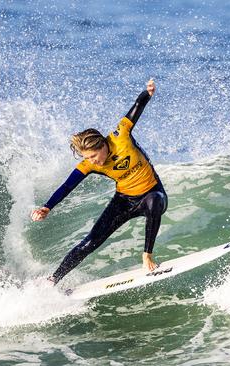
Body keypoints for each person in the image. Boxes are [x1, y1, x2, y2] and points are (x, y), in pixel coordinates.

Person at [31, 79, 168, 285]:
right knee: (89, 243)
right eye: (88, 158)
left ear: (103, 144)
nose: (93, 161)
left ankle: (147, 256)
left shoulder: (121, 136)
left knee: (154, 201)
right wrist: (47, 207)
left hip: (152, 192)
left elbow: (137, 107)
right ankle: (53, 279)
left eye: (94, 155)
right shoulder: (90, 164)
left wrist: (147, 93)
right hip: (123, 200)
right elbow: (67, 186)